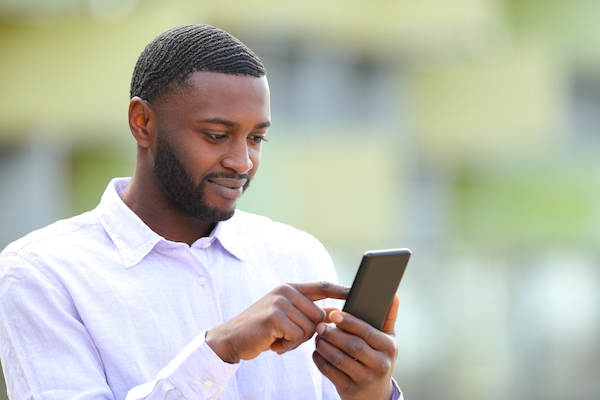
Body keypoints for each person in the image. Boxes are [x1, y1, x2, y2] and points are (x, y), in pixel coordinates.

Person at [0, 25, 403, 400]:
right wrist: (221, 349)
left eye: (257, 138)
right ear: (142, 123)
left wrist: (372, 393)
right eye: (216, 135)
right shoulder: (40, 274)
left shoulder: (297, 255)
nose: (242, 162)